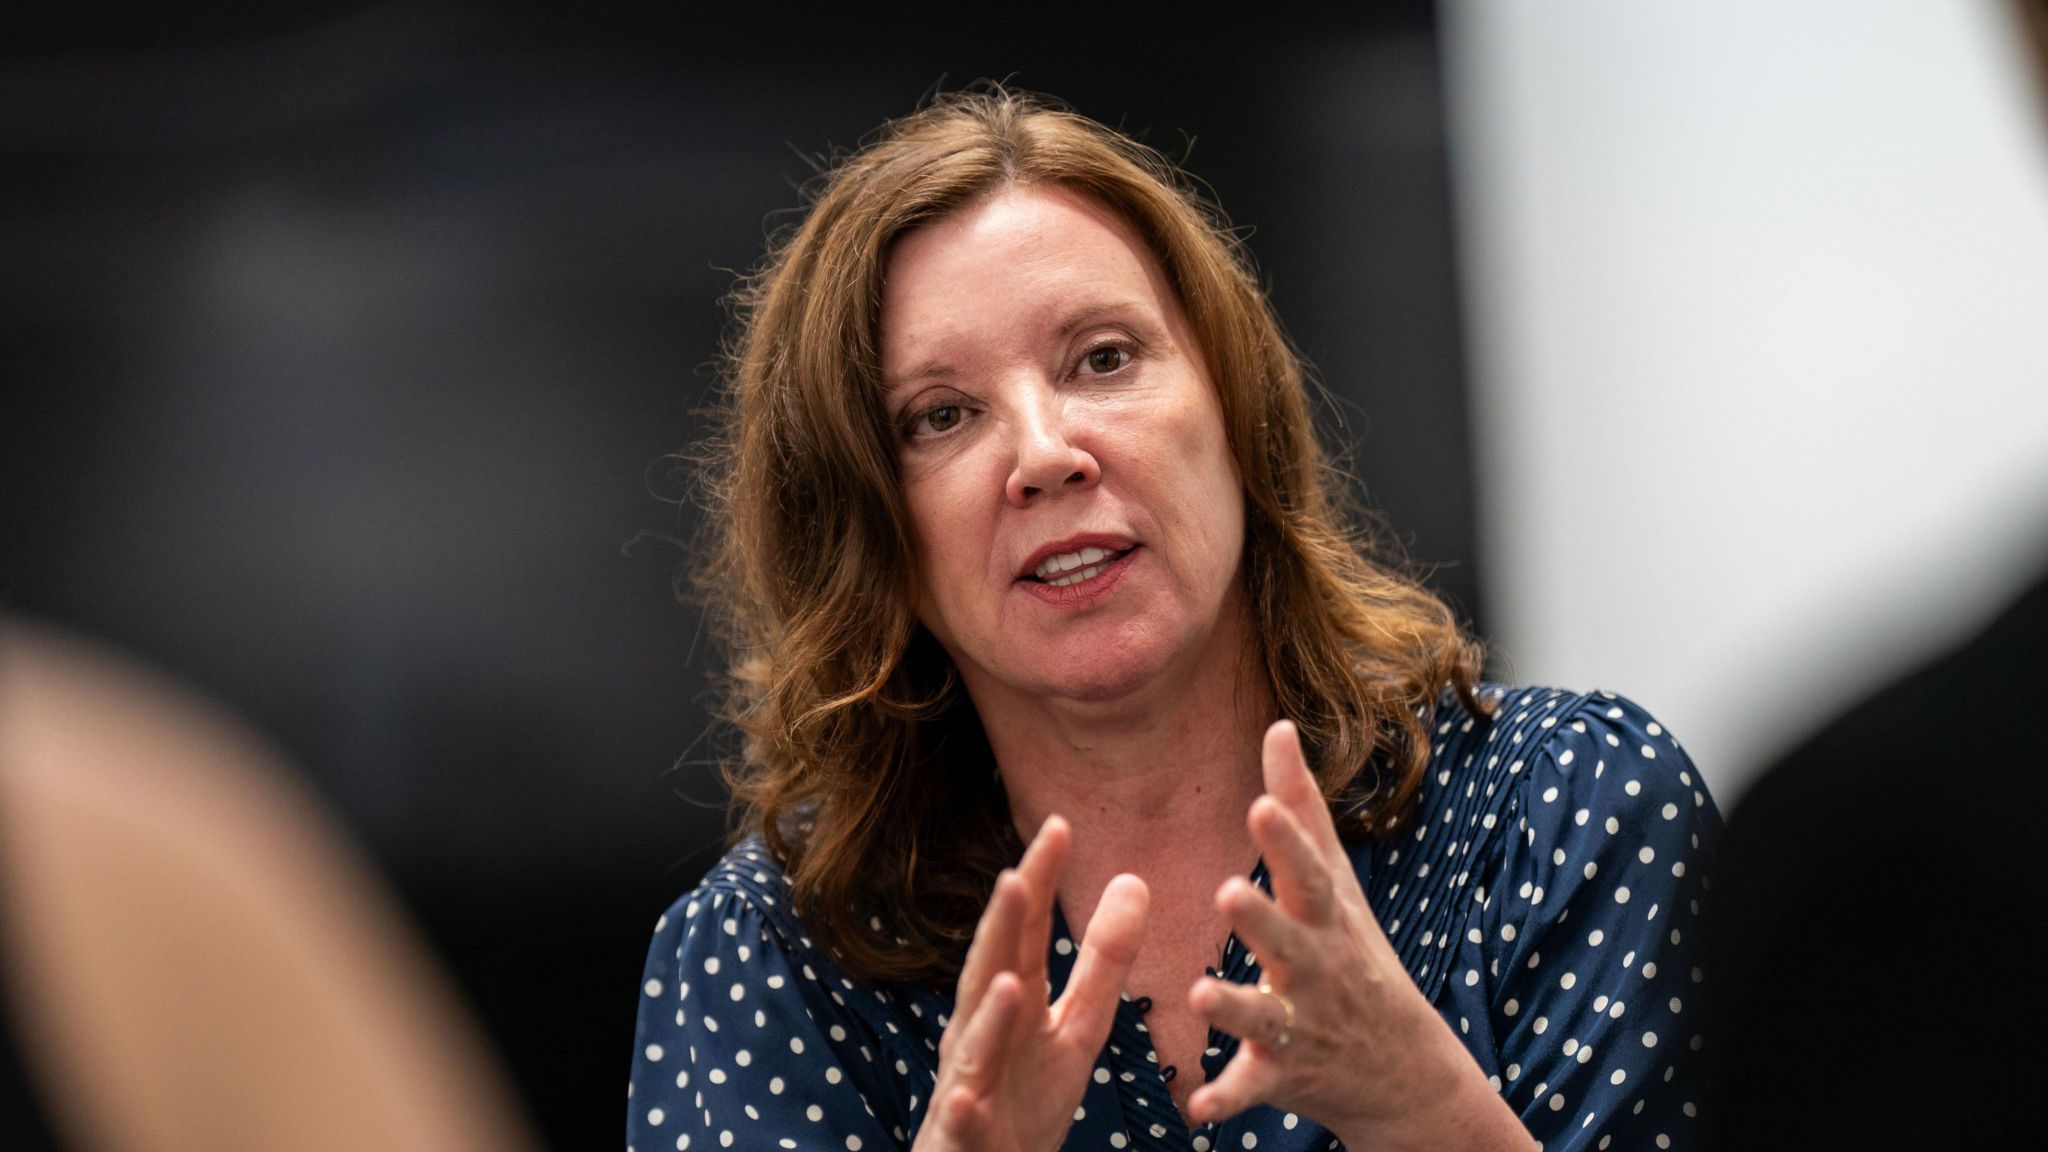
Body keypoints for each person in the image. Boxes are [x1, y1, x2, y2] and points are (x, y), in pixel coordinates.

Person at [627, 88, 1718, 1152]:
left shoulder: (1565, 805)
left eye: (1101, 358)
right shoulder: (773, 959)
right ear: (871, 536)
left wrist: (1421, 1117)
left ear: (1233, 409)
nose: (1044, 453)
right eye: (940, 417)